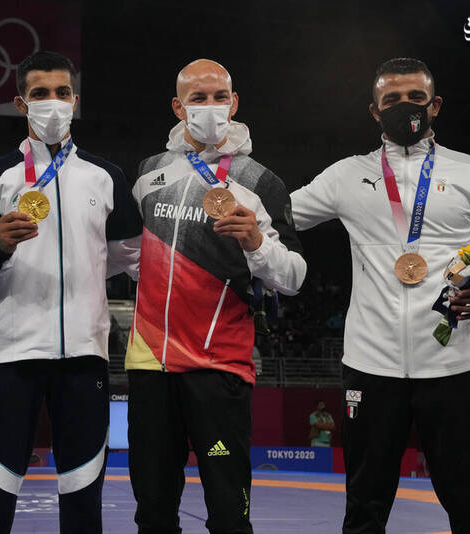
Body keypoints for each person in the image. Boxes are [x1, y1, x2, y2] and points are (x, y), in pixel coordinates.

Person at [290, 57, 470, 534]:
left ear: (435, 105)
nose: (405, 107)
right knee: (364, 511)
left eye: (416, 98)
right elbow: (278, 215)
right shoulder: (346, 176)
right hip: (371, 364)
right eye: (392, 99)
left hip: (456, 364)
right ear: (375, 111)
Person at [0, 51, 141, 534]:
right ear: (21, 103)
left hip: (84, 355)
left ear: (75, 100)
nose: (53, 102)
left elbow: (136, 261)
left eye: (62, 92)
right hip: (10, 355)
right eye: (40, 93)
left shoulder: (106, 177)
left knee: (83, 492)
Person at [126, 59, 306, 534]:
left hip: (219, 364)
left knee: (229, 514)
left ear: (234, 103)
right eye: (198, 98)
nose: (210, 106)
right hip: (150, 362)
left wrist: (257, 243)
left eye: (219, 97)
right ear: (178, 107)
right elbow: (131, 254)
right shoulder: (148, 173)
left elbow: (295, 275)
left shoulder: (261, 181)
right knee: (153, 511)